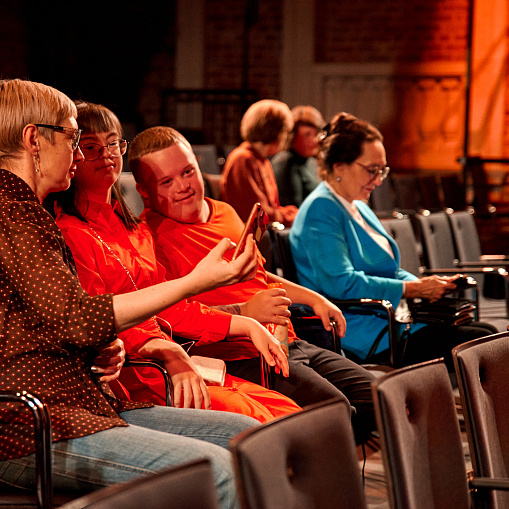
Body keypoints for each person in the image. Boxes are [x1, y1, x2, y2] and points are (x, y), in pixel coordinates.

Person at [0, 78, 277, 508]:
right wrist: (195, 283)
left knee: (255, 439)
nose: (78, 153)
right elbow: (75, 318)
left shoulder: (27, 211)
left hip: (80, 401)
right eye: (73, 138)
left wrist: (96, 352)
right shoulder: (14, 213)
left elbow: (45, 325)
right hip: (28, 423)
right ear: (33, 139)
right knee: (218, 470)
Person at [50, 101, 300, 423]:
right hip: (136, 371)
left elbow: (170, 306)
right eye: (91, 147)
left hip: (176, 360)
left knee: (287, 413)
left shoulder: (135, 229)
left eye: (113, 143)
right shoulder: (68, 232)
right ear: (73, 156)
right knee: (258, 421)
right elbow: (99, 322)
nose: (107, 154)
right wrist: (166, 350)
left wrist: (246, 324)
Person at [128, 125, 379, 444]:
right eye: (166, 181)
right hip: (244, 355)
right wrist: (243, 311)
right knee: (336, 414)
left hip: (289, 338)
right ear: (144, 191)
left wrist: (314, 298)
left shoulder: (225, 212)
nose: (183, 186)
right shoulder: (146, 239)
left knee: (378, 397)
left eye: (188, 172)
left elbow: (257, 274)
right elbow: (169, 317)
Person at [289, 112, 497, 369]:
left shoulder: (357, 204)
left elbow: (390, 270)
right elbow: (341, 283)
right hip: (362, 332)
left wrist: (428, 285)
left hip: (391, 320)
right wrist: (415, 289)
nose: (378, 180)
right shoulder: (321, 209)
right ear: (339, 167)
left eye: (382, 170)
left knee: (485, 334)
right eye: (371, 170)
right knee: (483, 341)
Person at [220, 99, 298, 226]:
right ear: (274, 131)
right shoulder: (242, 159)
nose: (285, 137)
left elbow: (272, 208)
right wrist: (290, 217)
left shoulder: (262, 160)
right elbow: (255, 213)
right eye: (284, 132)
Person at [271, 105, 325, 207]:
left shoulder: (312, 162)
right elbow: (290, 206)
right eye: (307, 134)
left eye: (316, 134)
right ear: (293, 136)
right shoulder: (285, 161)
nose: (314, 140)